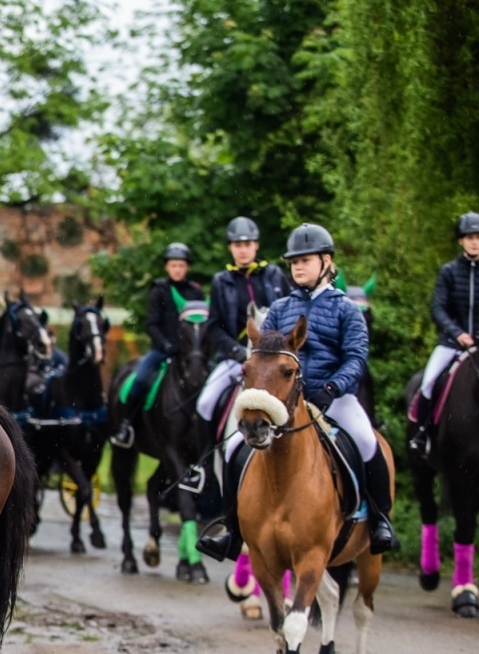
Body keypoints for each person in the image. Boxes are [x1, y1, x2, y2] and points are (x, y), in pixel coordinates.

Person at [198, 223, 398, 559]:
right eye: (294, 262)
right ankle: (233, 530)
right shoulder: (279, 308)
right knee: (234, 448)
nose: (298, 267)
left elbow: (356, 357)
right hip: (285, 403)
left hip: (333, 397)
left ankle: (379, 521)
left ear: (326, 262)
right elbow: (262, 357)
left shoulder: (346, 308)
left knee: (366, 441)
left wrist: (332, 388)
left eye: (305, 260)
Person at [196, 217, 290, 428]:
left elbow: (289, 314)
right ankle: (204, 460)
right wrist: (234, 350)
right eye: (238, 245)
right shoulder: (221, 281)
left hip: (272, 357)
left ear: (256, 245)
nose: (243, 250)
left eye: (247, 244)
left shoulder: (274, 275)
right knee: (205, 402)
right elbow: (213, 325)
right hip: (235, 358)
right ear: (230, 248)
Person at [111, 243, 204, 448]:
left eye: (181, 265)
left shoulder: (195, 292)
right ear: (167, 267)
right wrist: (166, 345)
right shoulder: (159, 291)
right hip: (162, 351)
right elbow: (152, 324)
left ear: (187, 267)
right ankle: (126, 425)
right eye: (173, 265)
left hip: (190, 354)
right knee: (140, 381)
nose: (177, 269)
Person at [408, 212, 479, 455]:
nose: (474, 242)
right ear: (461, 240)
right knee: (428, 382)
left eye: (478, 237)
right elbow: (438, 308)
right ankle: (423, 433)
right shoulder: (449, 272)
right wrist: (457, 333)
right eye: (469, 237)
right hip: (452, 343)